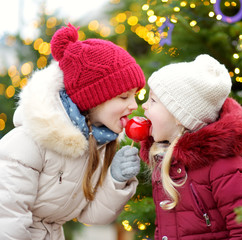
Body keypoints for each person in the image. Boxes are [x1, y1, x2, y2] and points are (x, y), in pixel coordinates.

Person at [0, 24, 145, 239]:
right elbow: (7, 216)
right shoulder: (27, 143)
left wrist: (115, 180)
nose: (134, 105)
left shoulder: (99, 141)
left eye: (135, 95)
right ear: (93, 98)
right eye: (124, 97)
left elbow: (90, 216)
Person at [140, 54, 242, 240]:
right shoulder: (167, 163)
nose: (144, 106)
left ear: (179, 116)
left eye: (153, 101)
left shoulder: (225, 167)